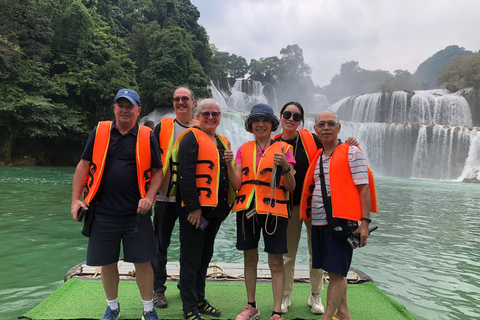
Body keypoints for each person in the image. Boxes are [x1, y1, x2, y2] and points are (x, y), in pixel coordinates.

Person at [71, 88, 163, 320]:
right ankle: (112, 308)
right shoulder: (99, 132)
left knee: (144, 262)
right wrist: (75, 200)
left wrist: (150, 197)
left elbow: (158, 171)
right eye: (120, 105)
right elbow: (83, 165)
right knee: (107, 262)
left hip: (137, 213)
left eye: (129, 106)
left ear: (138, 110)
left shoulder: (147, 135)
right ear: (114, 108)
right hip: (102, 211)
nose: (124, 109)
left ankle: (148, 310)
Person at [299, 110, 377, 320]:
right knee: (331, 270)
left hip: (342, 221)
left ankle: (327, 317)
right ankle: (343, 315)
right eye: (321, 124)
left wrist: (365, 223)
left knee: (337, 272)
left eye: (331, 124)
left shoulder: (352, 152)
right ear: (315, 130)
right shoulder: (318, 157)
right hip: (319, 222)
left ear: (339, 128)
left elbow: (364, 188)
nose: (326, 128)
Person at [226, 103, 296, 320]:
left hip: (274, 209)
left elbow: (291, 186)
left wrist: (285, 166)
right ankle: (251, 306)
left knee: (276, 261)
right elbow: (237, 185)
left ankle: (276, 312)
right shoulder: (242, 149)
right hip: (248, 208)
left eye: (265, 120)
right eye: (256, 121)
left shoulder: (285, 149)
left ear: (273, 125)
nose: (261, 124)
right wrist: (228, 165)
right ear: (250, 125)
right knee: (250, 259)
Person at [171, 98, 235, 320]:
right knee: (191, 256)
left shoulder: (222, 141)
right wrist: (193, 208)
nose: (210, 117)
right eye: (206, 113)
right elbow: (186, 175)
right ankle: (189, 307)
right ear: (197, 115)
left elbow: (224, 176)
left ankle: (199, 298)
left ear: (220, 117)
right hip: (195, 210)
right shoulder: (190, 137)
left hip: (216, 210)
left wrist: (227, 206)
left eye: (215, 114)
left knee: (205, 255)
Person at [273, 102, 325, 314]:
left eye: (296, 116)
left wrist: (350, 143)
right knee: (288, 253)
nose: (291, 119)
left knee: (317, 252)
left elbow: (334, 150)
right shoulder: (273, 143)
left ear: (301, 121)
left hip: (314, 204)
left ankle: (315, 294)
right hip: (288, 206)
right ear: (281, 116)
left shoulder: (311, 139)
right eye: (287, 114)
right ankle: (285, 295)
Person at [152, 86, 198, 308]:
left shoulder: (201, 129)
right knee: (159, 244)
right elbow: (150, 158)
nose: (181, 102)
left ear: (193, 103)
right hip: (164, 195)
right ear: (173, 104)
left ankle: (185, 284)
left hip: (191, 199)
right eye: (177, 99)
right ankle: (157, 289)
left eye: (185, 99)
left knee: (189, 244)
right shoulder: (163, 126)